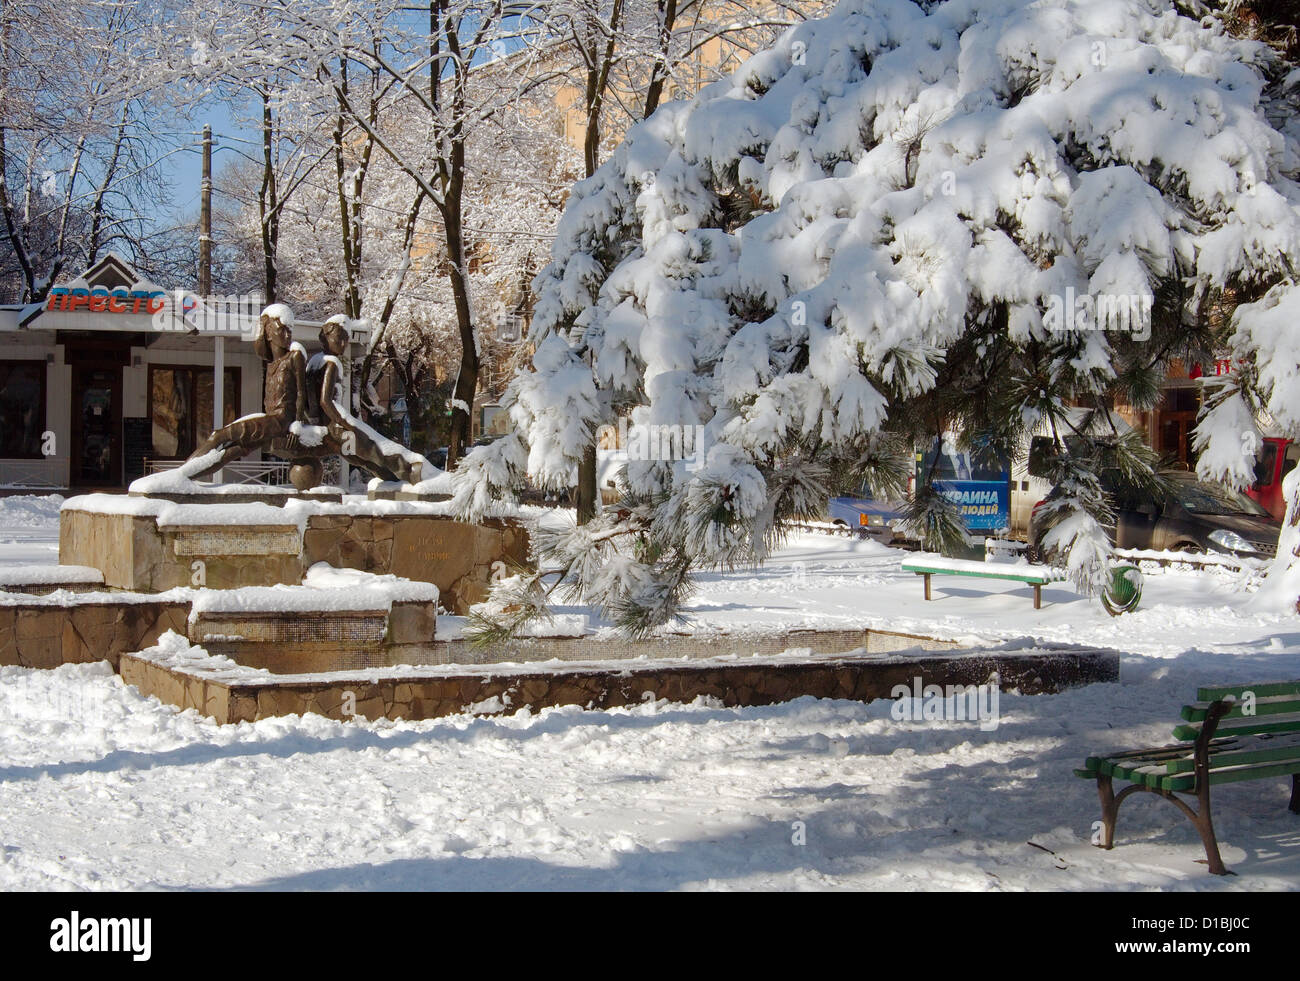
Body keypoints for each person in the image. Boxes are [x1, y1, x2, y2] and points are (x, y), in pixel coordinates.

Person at [184, 304, 307, 478]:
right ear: (269, 332)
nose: (287, 336)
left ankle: (179, 476)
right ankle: (184, 478)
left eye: (290, 331)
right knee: (231, 451)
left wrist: (297, 424)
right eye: (282, 330)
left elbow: (302, 393)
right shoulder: (271, 363)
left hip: (281, 420)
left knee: (219, 436)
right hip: (270, 420)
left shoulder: (295, 356)